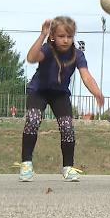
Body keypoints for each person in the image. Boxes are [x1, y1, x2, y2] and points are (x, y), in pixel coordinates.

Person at [17, 17, 104, 182]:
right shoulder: (47, 50)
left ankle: (68, 167)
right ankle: (26, 164)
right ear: (53, 37)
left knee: (67, 127)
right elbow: (31, 58)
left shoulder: (77, 55)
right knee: (33, 120)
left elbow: (86, 77)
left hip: (60, 94)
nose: (65, 40)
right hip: (39, 91)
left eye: (69, 36)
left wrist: (97, 92)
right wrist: (42, 34)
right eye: (61, 36)